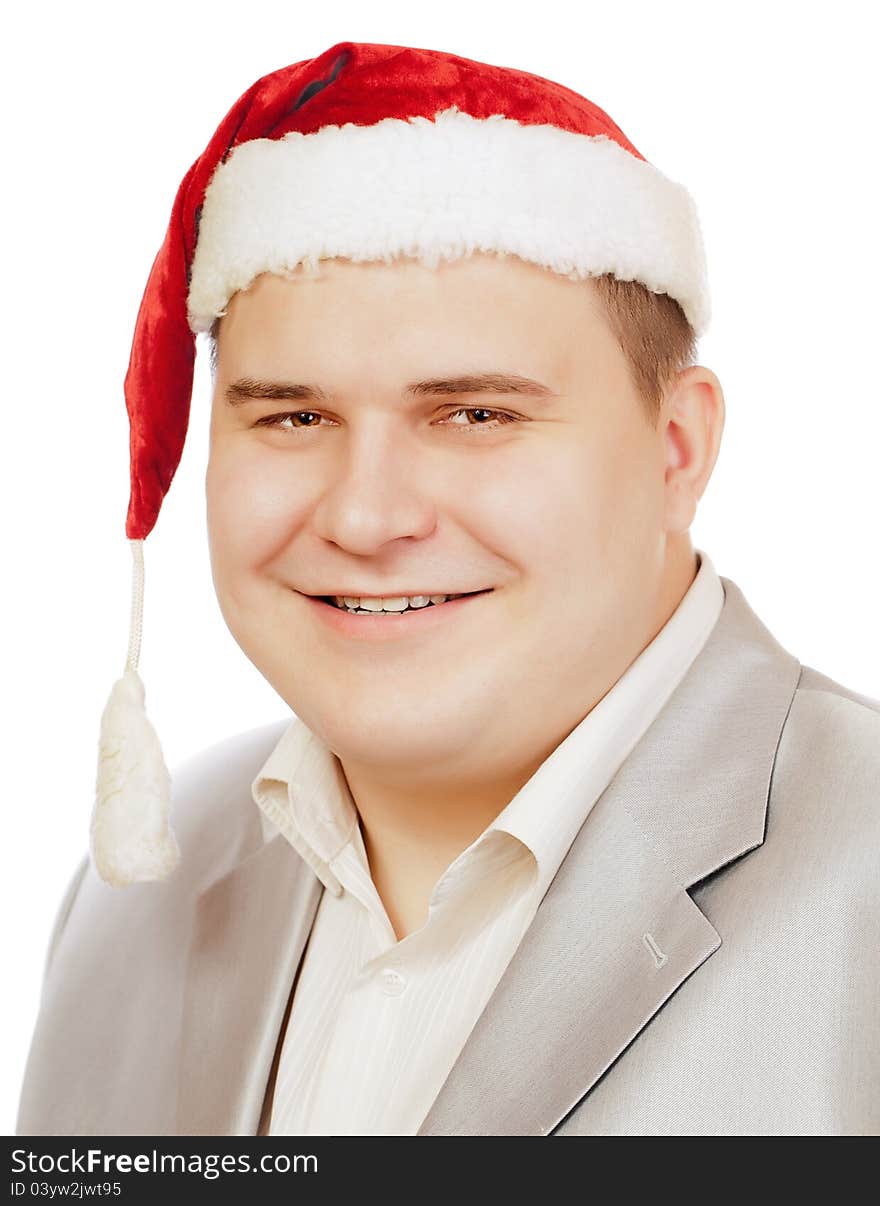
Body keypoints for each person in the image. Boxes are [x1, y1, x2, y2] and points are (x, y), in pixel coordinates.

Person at [16, 40, 879, 1137]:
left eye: (475, 415)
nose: (366, 517)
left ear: (675, 449)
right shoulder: (134, 896)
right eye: (293, 415)